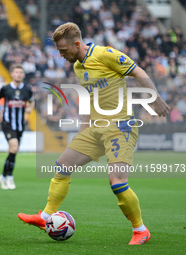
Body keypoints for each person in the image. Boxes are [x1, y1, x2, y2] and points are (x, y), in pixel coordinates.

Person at [18, 22, 171, 245]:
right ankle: (45, 217)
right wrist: (83, 130)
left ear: (77, 43)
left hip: (120, 126)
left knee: (117, 182)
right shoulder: (78, 67)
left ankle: (140, 230)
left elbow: (138, 71)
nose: (61, 56)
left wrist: (155, 99)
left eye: (63, 51)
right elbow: (91, 99)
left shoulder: (106, 54)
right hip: (94, 128)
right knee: (62, 166)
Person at [0, 64, 34, 189]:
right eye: (16, 72)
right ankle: (10, 177)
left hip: (20, 125)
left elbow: (32, 100)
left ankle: (3, 176)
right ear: (12, 74)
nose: (18, 74)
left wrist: (30, 108)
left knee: (13, 152)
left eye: (21, 72)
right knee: (14, 147)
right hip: (7, 123)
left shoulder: (27, 89)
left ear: (24, 75)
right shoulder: (6, 88)